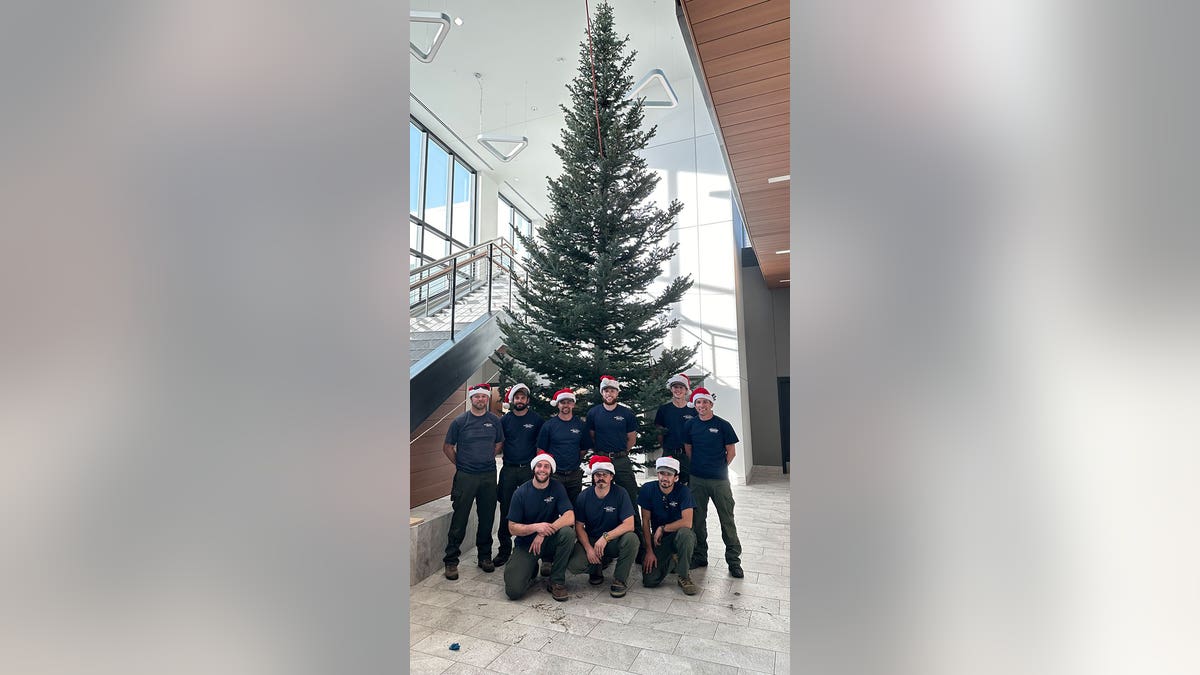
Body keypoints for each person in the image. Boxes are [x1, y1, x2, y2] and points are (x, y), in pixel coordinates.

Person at [441, 383, 504, 580]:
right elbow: (448, 447)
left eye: (483, 397)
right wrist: (461, 465)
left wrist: (485, 458)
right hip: (465, 477)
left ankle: (484, 557)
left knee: (486, 518)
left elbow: (499, 443)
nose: (480, 400)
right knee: (460, 518)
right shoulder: (460, 421)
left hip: (488, 476)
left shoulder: (494, 421)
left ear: (487, 399)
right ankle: (451, 561)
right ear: (471, 399)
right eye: (476, 397)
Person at [683, 387, 744, 578]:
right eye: (699, 402)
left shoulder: (723, 425)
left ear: (711, 404)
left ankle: (734, 561)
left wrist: (718, 468)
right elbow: (689, 450)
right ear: (696, 405)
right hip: (697, 480)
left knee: (727, 520)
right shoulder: (690, 425)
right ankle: (700, 556)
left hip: (719, 481)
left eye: (705, 402)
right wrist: (699, 468)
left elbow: (731, 453)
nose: (702, 406)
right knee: (698, 520)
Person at [585, 375, 646, 563]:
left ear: (617, 392)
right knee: (601, 499)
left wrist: (620, 454)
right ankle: (604, 547)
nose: (609, 393)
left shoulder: (626, 414)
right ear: (601, 392)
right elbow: (592, 436)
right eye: (605, 390)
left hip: (621, 461)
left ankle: (641, 547)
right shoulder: (593, 413)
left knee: (631, 500)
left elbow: (632, 438)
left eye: (612, 390)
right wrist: (603, 456)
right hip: (601, 462)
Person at [502, 451, 577, 602]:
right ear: (533, 469)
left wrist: (543, 532)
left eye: (546, 466)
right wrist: (536, 527)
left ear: (551, 470)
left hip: (548, 540)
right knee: (513, 591)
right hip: (526, 544)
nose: (542, 469)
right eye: (539, 466)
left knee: (568, 533)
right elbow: (512, 528)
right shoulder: (521, 492)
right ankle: (531, 568)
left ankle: (556, 581)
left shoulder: (557, 488)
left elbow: (570, 517)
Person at [566, 455, 639, 598]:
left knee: (632, 539)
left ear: (611, 476)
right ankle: (596, 567)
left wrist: (606, 537)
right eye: (597, 475)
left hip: (613, 540)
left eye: (605, 475)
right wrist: (588, 549)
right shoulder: (584, 496)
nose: (601, 478)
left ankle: (620, 579)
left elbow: (630, 525)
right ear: (593, 477)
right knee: (575, 566)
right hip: (592, 539)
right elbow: (579, 526)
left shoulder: (620, 493)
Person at [493, 383, 544, 567]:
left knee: (529, 509)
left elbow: (541, 446)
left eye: (523, 397)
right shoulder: (504, 421)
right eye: (517, 397)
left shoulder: (537, 420)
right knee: (506, 510)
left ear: (527, 400)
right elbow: (498, 443)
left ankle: (525, 550)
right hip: (508, 469)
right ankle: (504, 550)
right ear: (512, 400)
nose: (520, 400)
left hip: (528, 471)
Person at [637, 456, 699, 595]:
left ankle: (684, 576)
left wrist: (662, 528)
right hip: (660, 540)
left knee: (685, 534)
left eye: (669, 474)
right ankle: (673, 558)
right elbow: (645, 522)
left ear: (676, 477)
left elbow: (687, 522)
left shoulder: (684, 491)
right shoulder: (648, 489)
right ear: (657, 474)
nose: (665, 478)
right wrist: (649, 551)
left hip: (680, 535)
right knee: (649, 580)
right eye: (662, 473)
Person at [536, 387, 591, 503]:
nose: (566, 405)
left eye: (568, 402)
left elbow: (584, 449)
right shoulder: (549, 426)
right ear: (558, 404)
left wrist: (573, 460)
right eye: (562, 402)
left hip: (574, 475)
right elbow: (541, 450)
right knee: (551, 507)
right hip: (555, 475)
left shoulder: (581, 425)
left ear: (573, 404)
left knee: (575, 508)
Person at [654, 373, 696, 485]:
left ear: (686, 390)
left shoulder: (693, 411)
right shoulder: (664, 410)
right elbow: (659, 433)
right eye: (675, 387)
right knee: (668, 486)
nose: (678, 390)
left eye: (681, 387)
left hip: (688, 456)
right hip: (669, 454)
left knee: (690, 488)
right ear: (671, 389)